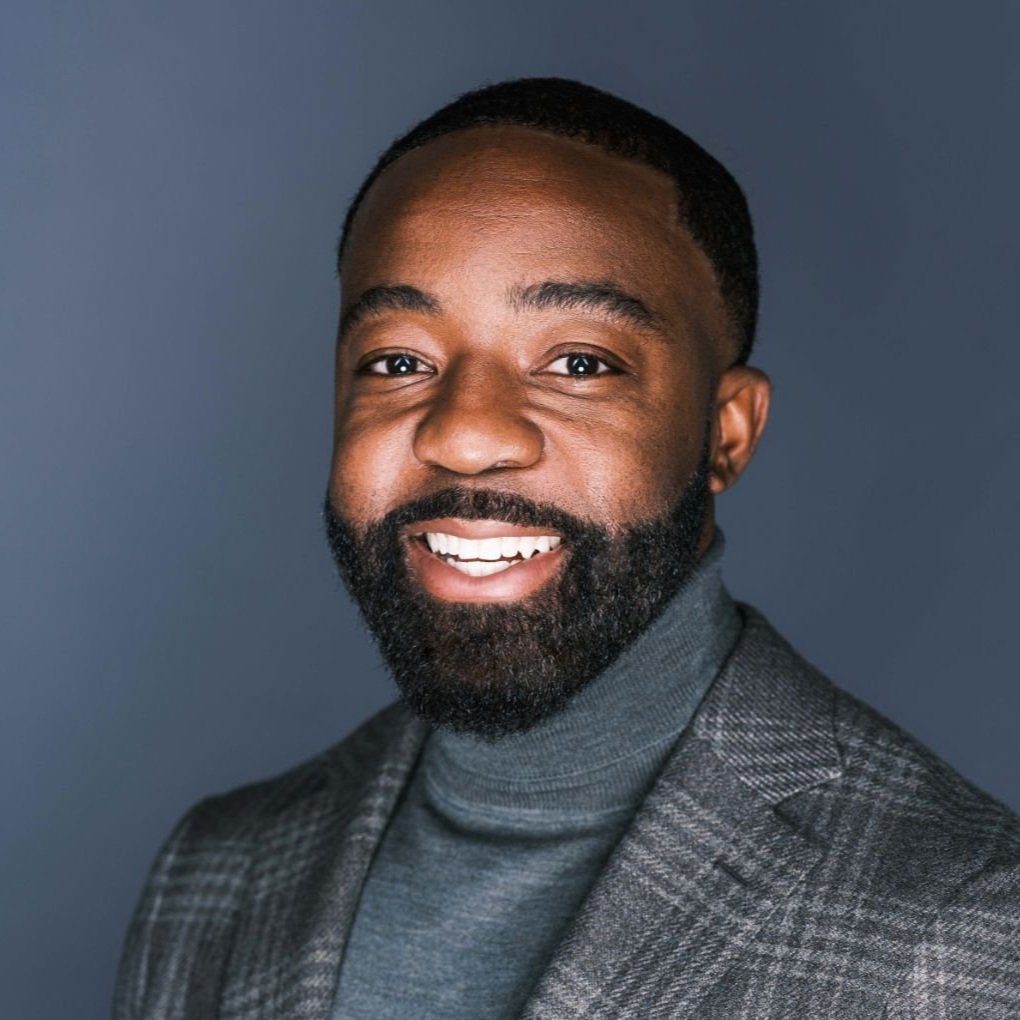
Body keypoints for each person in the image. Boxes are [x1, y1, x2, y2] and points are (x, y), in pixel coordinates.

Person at [114, 78, 1020, 1019]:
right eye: (397, 362)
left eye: (579, 363)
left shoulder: (966, 924)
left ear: (726, 434)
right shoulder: (211, 875)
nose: (462, 434)